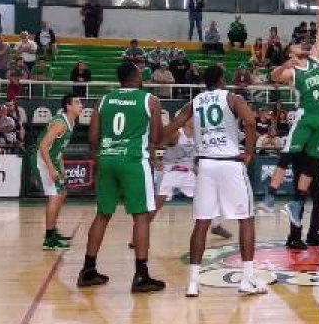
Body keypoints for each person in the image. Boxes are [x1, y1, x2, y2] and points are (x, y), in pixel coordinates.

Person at [162, 64, 266, 297]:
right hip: (229, 163)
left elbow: (174, 126)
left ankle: (192, 282)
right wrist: (249, 153)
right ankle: (247, 280)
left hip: (205, 165)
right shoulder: (232, 98)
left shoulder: (195, 102)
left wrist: (154, 139)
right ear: (220, 79)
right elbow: (250, 122)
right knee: (245, 220)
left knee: (201, 223)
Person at [78, 62, 165, 293]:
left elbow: (93, 137)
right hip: (133, 160)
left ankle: (87, 270)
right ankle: (141, 274)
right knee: (141, 217)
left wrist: (102, 157)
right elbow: (156, 136)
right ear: (136, 77)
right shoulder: (149, 100)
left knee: (103, 214)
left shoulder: (103, 100)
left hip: (107, 158)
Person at [264, 0, 319, 250]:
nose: (300, 44)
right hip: (304, 130)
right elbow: (274, 77)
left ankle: (310, 234)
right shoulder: (293, 71)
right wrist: (284, 64)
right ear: (291, 55)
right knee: (300, 186)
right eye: (294, 46)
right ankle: (293, 234)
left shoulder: (316, 59)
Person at [145, 119, 232, 248]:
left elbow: (198, 156)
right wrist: (155, 161)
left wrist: (198, 168)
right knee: (157, 203)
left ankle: (216, 226)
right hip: (170, 171)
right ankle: (140, 233)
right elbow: (151, 144)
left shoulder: (200, 136)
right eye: (190, 118)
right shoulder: (176, 134)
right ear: (184, 121)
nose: (194, 119)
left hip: (189, 172)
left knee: (210, 195)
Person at [34, 94, 82, 250]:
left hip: (52, 159)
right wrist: (51, 168)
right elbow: (43, 147)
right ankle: (49, 239)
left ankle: (53, 231)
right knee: (55, 196)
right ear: (68, 106)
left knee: (62, 194)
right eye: (77, 102)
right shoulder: (60, 123)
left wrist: (61, 167)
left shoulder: (71, 122)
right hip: (42, 159)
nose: (81, 105)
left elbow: (58, 148)